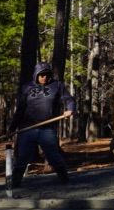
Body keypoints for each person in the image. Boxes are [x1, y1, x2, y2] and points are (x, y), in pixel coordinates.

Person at [10, 61, 76, 193]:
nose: (44, 77)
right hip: (27, 129)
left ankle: (65, 182)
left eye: (47, 74)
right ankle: (15, 184)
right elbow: (20, 109)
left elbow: (69, 99)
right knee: (23, 157)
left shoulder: (57, 85)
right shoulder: (27, 87)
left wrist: (69, 109)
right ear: (36, 75)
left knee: (53, 156)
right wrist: (12, 128)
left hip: (47, 129)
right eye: (41, 75)